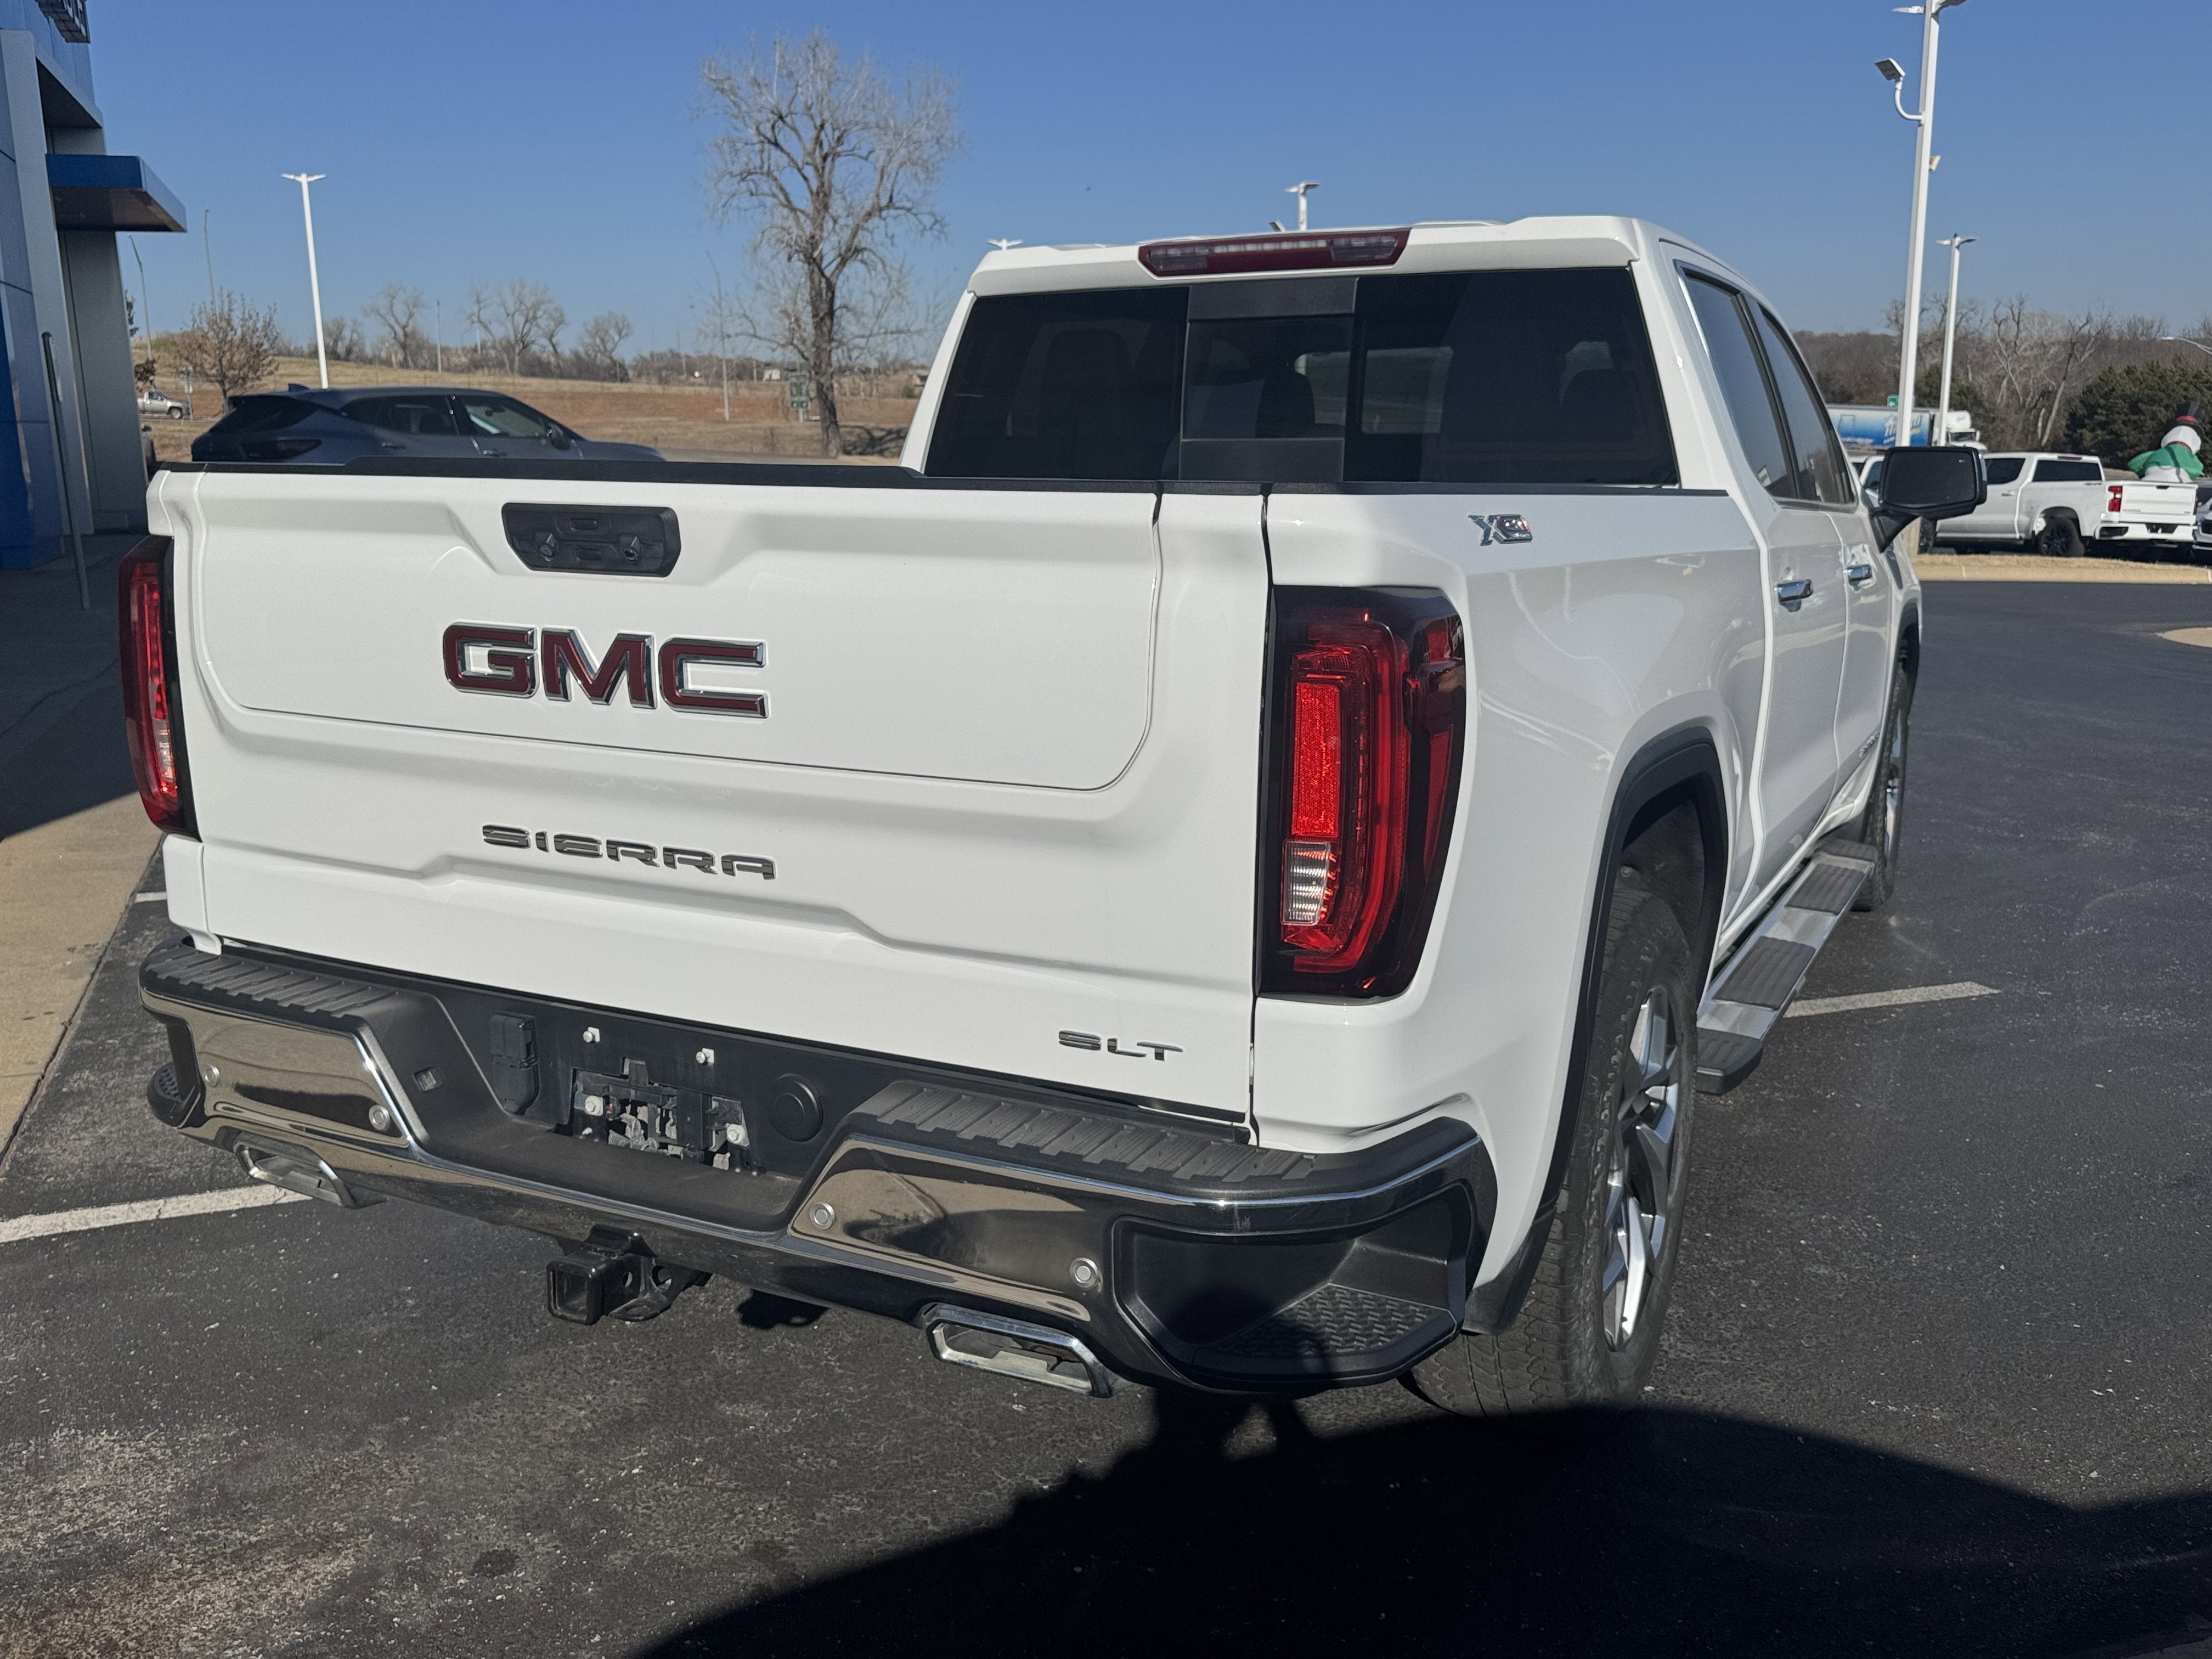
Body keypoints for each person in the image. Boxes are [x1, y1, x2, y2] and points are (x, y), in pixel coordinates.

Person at [2129, 404, 2205, 481]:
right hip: (2179, 483)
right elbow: (2197, 471)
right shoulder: (2191, 459)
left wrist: (2142, 470)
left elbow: (2134, 464)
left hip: (2149, 481)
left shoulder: (2154, 454)